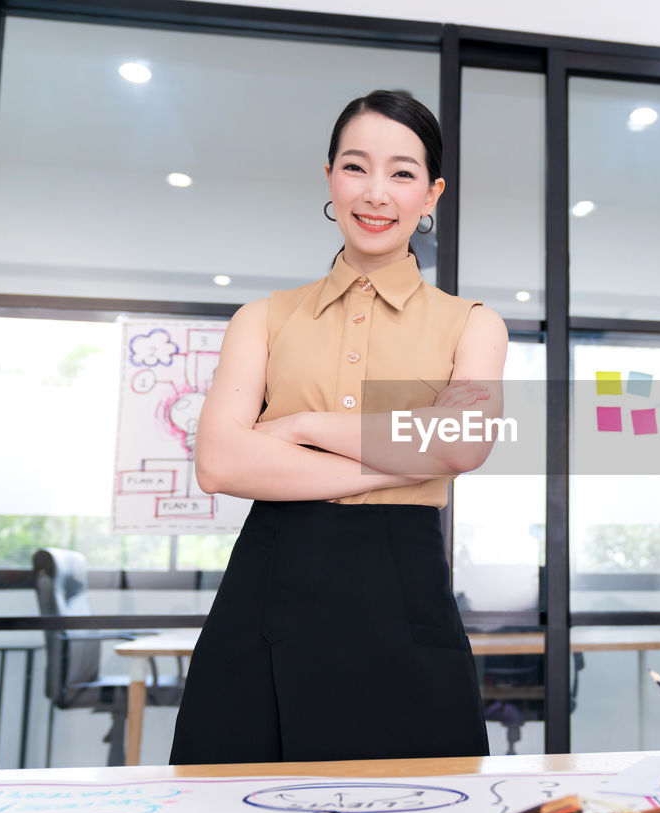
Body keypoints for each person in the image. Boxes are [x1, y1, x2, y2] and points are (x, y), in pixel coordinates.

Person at [168, 90, 507, 765]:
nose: (376, 192)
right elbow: (221, 464)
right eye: (356, 167)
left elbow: (463, 443)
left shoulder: (472, 324)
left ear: (431, 194)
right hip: (268, 591)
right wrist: (407, 455)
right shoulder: (261, 319)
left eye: (403, 173)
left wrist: (303, 425)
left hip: (403, 591)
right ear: (330, 178)